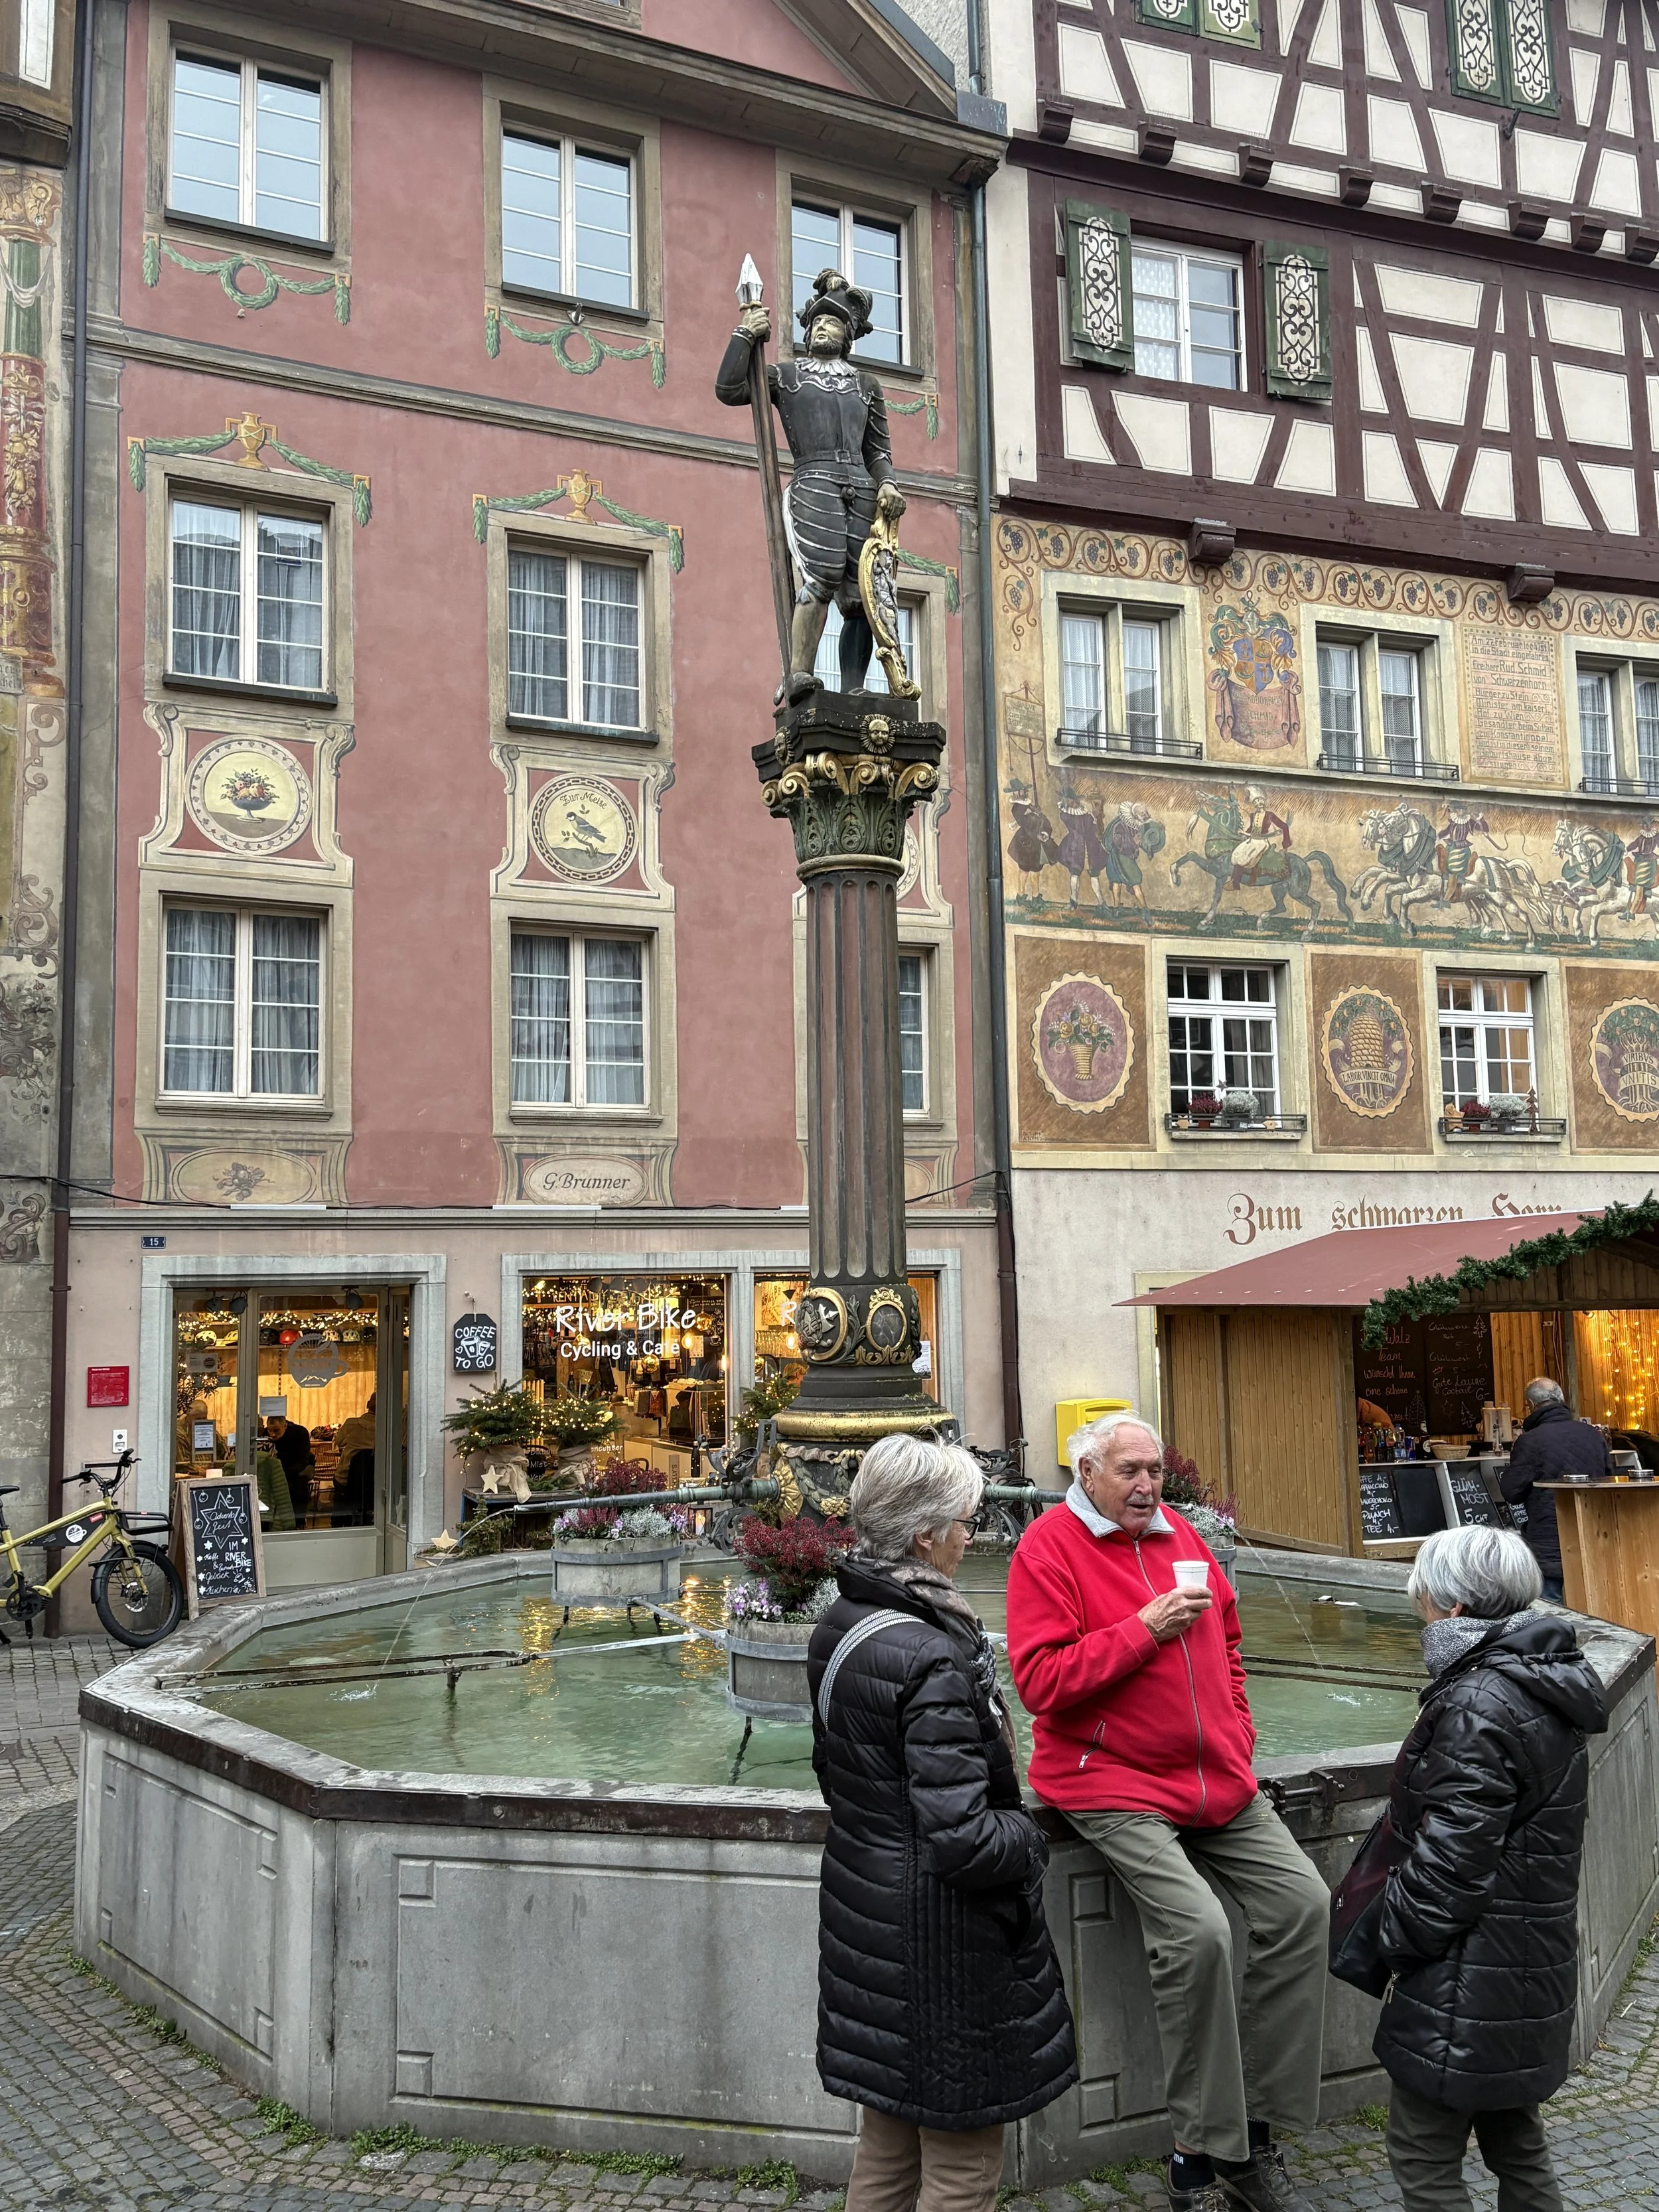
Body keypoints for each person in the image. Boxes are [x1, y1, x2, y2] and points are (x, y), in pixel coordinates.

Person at [1005, 1412, 1327, 2212]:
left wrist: (1238, 1728)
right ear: (1086, 1473)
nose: (1148, 1484)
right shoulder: (1047, 1549)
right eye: (1130, 1471)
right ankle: (1197, 2154)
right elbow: (1039, 1685)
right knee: (1198, 1932)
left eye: (1154, 1470)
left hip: (1214, 1775)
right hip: (1108, 1779)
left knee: (1304, 1905)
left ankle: (1253, 2129)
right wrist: (1141, 1632)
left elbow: (1226, 1638)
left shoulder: (1180, 1532)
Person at [810, 1434, 1076, 2212]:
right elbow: (962, 1836)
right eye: (964, 1520)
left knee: (887, 2149)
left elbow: (843, 1778)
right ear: (925, 1535)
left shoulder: (844, 1622)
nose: (972, 1534)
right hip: (941, 1945)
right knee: (961, 2168)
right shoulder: (931, 1655)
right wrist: (1033, 1836)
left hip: (867, 1915)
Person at [1375, 1524, 1606, 2212]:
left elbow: (1449, 1866)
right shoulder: (1542, 1678)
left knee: (1423, 2155)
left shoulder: (1477, 1700)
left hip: (1465, 1976)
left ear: (1449, 1606)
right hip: (1529, 1964)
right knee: (1517, 2143)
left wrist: (1393, 1940)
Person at [716, 269, 902, 700]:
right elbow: (728, 388)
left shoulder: (866, 385)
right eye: (816, 321)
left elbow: (877, 450)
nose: (821, 326)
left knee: (862, 596)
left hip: (862, 488)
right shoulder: (787, 376)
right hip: (814, 480)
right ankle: (799, 672)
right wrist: (745, 335)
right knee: (820, 576)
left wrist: (889, 484)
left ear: (847, 336)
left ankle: (854, 686)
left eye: (832, 321)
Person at [1499, 1377, 1611, 1603]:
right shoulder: (1592, 1435)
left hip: (1549, 1543)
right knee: (1595, 1607)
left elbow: (1512, 1492)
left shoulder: (1530, 1441)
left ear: (1531, 1405)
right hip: (1592, 1535)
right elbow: (1608, 1476)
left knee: (1549, 1611)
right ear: (1561, 1400)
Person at [266, 1414, 315, 1518]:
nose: (272, 1435)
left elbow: (303, 1460)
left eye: (276, 1431)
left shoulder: (299, 1434)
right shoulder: (264, 1436)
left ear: (285, 1426)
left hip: (295, 1479)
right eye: (269, 1430)